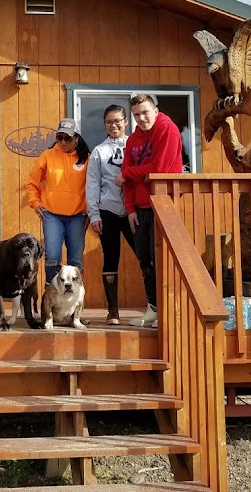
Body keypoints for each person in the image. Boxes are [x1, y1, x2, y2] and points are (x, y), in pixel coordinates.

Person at [115, 94, 183, 327]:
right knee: (145, 260)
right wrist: (130, 208)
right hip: (140, 209)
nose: (141, 118)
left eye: (145, 112)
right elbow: (129, 176)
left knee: (162, 258)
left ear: (155, 110)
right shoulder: (133, 139)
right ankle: (153, 309)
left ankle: (169, 311)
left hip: (165, 204)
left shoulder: (168, 129)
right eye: (136, 115)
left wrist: (127, 174)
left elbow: (159, 169)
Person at [86, 105, 137, 325]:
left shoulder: (135, 146)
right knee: (110, 257)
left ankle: (154, 306)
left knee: (144, 255)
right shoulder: (99, 151)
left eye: (117, 121)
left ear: (126, 121)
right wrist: (94, 214)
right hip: (108, 209)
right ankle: (113, 311)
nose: (114, 125)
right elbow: (93, 183)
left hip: (133, 210)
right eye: (109, 122)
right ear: (104, 125)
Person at [27, 118, 90, 284]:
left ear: (76, 138)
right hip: (52, 215)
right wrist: (35, 202)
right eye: (59, 137)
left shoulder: (86, 158)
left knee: (75, 259)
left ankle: (75, 302)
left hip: (78, 215)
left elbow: (94, 186)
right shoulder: (47, 156)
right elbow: (32, 182)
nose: (62, 141)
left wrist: (91, 209)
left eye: (67, 138)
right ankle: (51, 295)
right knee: (52, 257)